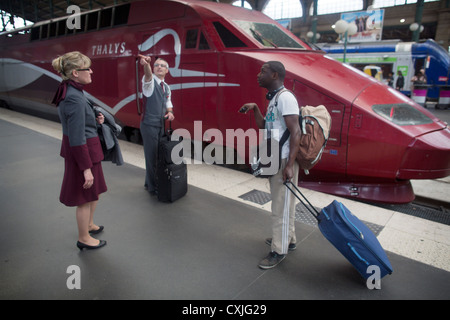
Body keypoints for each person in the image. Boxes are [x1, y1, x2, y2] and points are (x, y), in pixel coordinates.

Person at [239, 61, 301, 269]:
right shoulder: (274, 99)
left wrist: (289, 165)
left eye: (263, 71)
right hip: (276, 158)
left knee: (280, 208)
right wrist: (256, 108)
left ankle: (278, 250)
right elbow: (264, 125)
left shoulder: (286, 98)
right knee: (285, 204)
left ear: (275, 75)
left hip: (283, 160)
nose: (258, 75)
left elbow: (296, 132)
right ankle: (288, 239)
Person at [52, 51, 107, 251]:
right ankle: (84, 237)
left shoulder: (72, 90)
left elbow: (79, 123)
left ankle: (90, 225)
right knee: (84, 198)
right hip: (82, 154)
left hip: (88, 150)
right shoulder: (74, 97)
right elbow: (76, 137)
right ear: (75, 72)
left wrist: (94, 118)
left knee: (94, 193)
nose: (91, 71)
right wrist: (85, 168)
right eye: (87, 69)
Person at [138, 55, 175, 195]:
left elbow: (168, 103)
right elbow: (147, 75)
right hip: (149, 124)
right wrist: (146, 65)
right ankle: (153, 187)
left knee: (158, 156)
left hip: (160, 125)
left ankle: (151, 182)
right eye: (156, 65)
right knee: (151, 156)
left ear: (167, 70)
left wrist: (170, 112)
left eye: (162, 65)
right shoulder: (149, 81)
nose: (159, 67)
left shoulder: (166, 87)